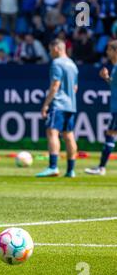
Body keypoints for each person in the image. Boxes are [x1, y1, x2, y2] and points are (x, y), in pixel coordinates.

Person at [36, 38, 78, 178]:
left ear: (56, 48)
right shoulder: (73, 65)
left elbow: (55, 86)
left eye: (50, 49)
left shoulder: (56, 63)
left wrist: (46, 104)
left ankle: (53, 167)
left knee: (52, 133)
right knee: (69, 136)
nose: (49, 53)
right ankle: (71, 170)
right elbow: (75, 88)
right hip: (71, 105)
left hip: (59, 104)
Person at [85, 41, 117, 176]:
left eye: (109, 50)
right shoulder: (114, 67)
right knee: (110, 134)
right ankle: (101, 167)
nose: (107, 53)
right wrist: (107, 78)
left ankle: (101, 167)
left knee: (110, 134)